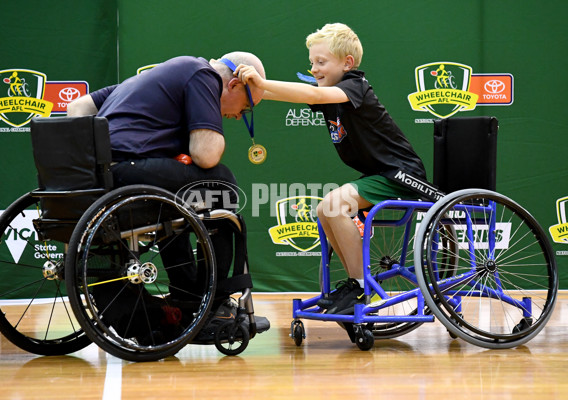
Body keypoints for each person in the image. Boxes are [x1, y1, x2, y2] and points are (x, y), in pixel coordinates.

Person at [66, 51, 270, 338]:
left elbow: (77, 107)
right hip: (129, 169)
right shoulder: (204, 75)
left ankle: (188, 303)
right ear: (235, 85)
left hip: (106, 174)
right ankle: (215, 306)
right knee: (222, 184)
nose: (238, 116)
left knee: (180, 203)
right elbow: (206, 154)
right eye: (246, 107)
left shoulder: (155, 75)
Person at [235, 23, 427, 315]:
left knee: (333, 205)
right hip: (379, 175)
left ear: (347, 63)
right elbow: (295, 94)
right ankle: (356, 283)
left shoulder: (355, 86)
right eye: (311, 63)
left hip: (400, 174)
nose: (313, 69)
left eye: (321, 62)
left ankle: (362, 287)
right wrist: (251, 90)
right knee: (326, 210)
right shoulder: (329, 93)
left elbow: (311, 96)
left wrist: (261, 83)